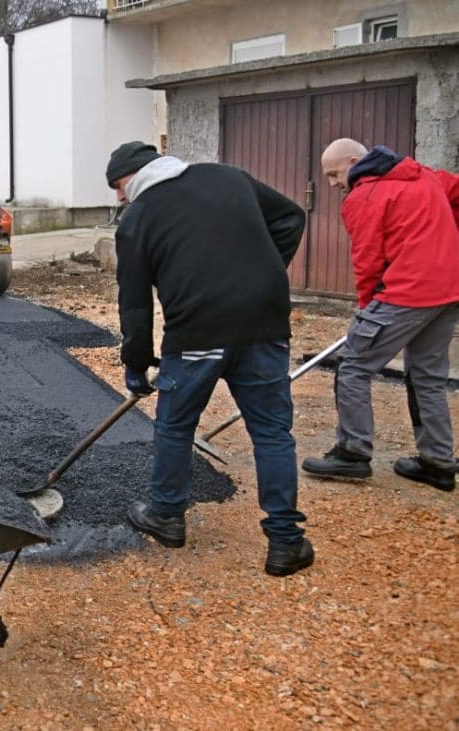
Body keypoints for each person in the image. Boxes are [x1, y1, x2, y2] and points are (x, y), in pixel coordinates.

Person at [106, 141, 314, 577]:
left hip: (196, 334)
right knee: (273, 433)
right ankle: (286, 542)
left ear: (134, 177)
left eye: (119, 187)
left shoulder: (137, 219)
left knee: (175, 427)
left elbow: (136, 304)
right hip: (264, 325)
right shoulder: (228, 177)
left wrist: (136, 363)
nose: (119, 197)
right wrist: (266, 273)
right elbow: (292, 216)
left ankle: (166, 515)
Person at [300, 139, 459, 491]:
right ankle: (438, 462)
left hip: (406, 292)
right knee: (427, 377)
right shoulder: (425, 176)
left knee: (353, 366)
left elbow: (367, 258)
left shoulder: (365, 196)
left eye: (334, 174)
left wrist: (368, 306)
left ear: (356, 161)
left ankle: (352, 453)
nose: (332, 184)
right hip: (447, 292)